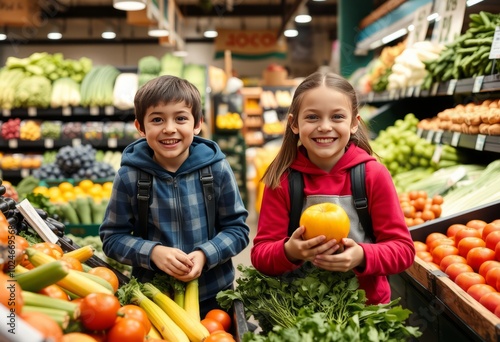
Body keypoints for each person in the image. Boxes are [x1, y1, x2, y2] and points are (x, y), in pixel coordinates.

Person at [250, 71, 415, 305]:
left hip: (365, 310)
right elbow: (260, 255)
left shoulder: (373, 175)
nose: (325, 127)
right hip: (301, 312)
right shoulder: (282, 180)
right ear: (294, 124)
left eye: (337, 116)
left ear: (354, 123)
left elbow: (403, 251)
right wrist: (290, 251)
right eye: (313, 117)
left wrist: (362, 256)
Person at [100, 75, 250, 316]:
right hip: (155, 298)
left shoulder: (217, 169)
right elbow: (112, 238)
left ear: (197, 124)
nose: (169, 128)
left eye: (180, 118)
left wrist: (205, 254)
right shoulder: (130, 176)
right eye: (157, 119)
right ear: (140, 127)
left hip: (214, 295)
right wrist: (152, 252)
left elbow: (238, 230)